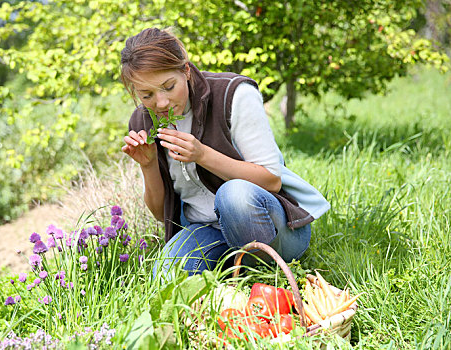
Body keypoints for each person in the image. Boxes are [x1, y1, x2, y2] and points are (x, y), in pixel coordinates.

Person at [120, 27, 330, 278]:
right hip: (206, 229)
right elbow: (159, 212)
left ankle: (262, 273)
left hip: (272, 227)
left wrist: (202, 155)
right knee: (165, 277)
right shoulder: (143, 121)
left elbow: (271, 180)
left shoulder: (234, 94)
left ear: (186, 70)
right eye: (147, 95)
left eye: (169, 86)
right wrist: (148, 164)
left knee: (234, 195)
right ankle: (232, 270)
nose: (161, 103)